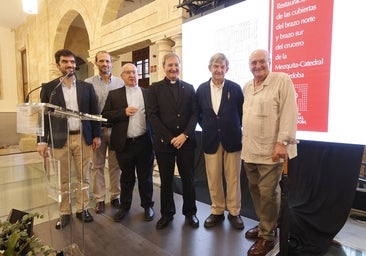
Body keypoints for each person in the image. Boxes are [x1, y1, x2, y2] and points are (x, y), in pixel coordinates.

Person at [37, 49, 101, 229]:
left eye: (72, 62)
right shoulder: (50, 88)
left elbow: (93, 113)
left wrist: (96, 135)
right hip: (59, 140)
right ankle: (65, 212)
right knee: (62, 179)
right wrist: (41, 140)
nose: (70, 65)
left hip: (83, 138)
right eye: (65, 62)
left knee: (84, 176)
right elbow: (42, 115)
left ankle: (82, 209)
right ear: (58, 65)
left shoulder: (86, 87)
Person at [241, 49, 297, 256]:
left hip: (271, 151)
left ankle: (267, 237)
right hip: (249, 150)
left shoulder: (282, 80)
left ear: (270, 62)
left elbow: (290, 112)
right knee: (255, 190)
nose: (257, 66)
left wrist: (282, 143)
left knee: (268, 193)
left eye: (261, 62)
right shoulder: (247, 86)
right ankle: (266, 224)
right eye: (253, 63)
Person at [147, 52, 199, 229]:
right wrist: (170, 138)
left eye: (176, 65)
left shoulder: (189, 88)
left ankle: (190, 213)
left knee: (188, 179)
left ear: (180, 67)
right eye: (170, 65)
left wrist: (184, 135)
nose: (173, 68)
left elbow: (194, 114)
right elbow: (153, 117)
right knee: (166, 180)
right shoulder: (154, 89)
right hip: (164, 143)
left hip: (186, 142)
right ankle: (167, 214)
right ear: (163, 67)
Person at [196, 53, 244, 230]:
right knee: (214, 177)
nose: (219, 70)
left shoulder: (236, 88)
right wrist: (210, 127)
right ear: (210, 68)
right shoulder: (201, 89)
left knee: (233, 178)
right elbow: (199, 114)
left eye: (222, 67)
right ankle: (217, 210)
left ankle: (234, 211)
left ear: (227, 69)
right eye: (215, 66)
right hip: (210, 139)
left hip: (232, 139)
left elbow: (241, 112)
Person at [101, 63, 155, 222]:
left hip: (144, 142)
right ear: (122, 76)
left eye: (134, 72)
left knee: (146, 177)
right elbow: (105, 115)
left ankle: (147, 206)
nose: (131, 75)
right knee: (126, 177)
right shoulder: (114, 95)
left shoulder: (148, 94)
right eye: (127, 73)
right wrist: (123, 113)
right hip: (124, 144)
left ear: (138, 75)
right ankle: (125, 206)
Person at [85, 51, 124, 214]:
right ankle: (100, 199)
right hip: (97, 131)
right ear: (96, 63)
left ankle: (115, 196)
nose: (105, 64)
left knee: (116, 165)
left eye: (107, 61)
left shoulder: (120, 82)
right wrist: (93, 134)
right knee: (98, 166)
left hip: (115, 130)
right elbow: (87, 109)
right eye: (101, 61)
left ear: (111, 63)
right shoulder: (88, 83)